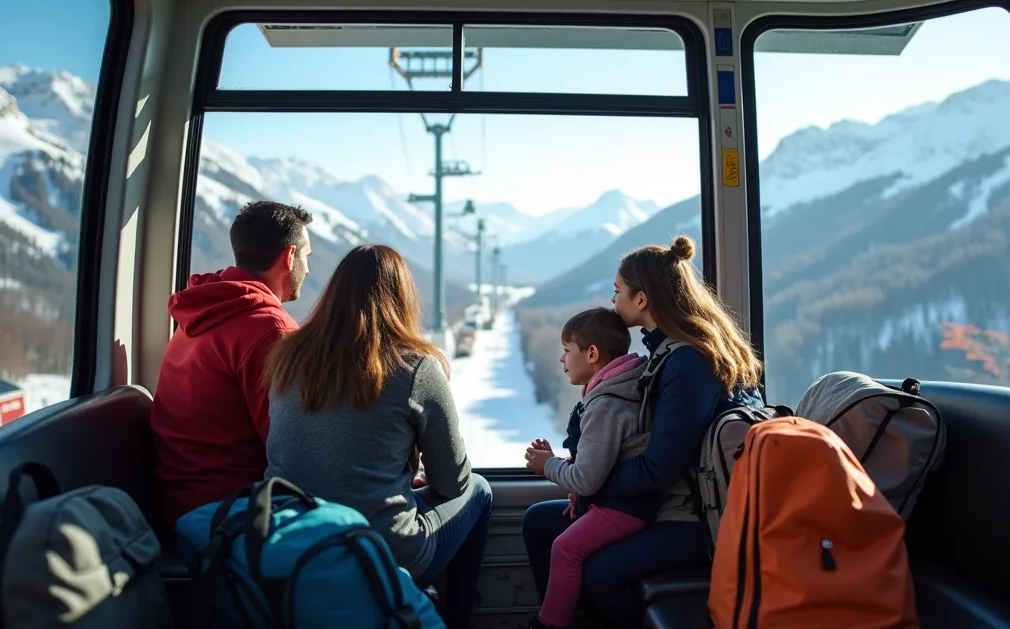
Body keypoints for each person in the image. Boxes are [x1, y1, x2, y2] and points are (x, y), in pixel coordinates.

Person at [521, 235, 765, 627]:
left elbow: (660, 468)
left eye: (618, 291)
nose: (613, 301)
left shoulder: (688, 362)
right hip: (662, 502)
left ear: (642, 299)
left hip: (691, 518)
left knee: (599, 574)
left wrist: (591, 482)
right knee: (539, 522)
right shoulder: (666, 352)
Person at [264, 245, 492, 629]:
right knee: (481, 490)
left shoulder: (287, 356)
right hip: (380, 549)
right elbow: (454, 482)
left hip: (291, 542)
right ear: (402, 298)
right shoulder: (415, 366)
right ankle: (454, 618)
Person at [150, 200, 312, 529]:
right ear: (289, 257)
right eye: (306, 257)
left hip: (179, 505)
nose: (307, 270)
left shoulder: (203, 309)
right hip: (235, 515)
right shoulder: (270, 331)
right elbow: (295, 447)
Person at [522, 308, 652, 629]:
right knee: (537, 520)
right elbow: (599, 462)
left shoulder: (606, 405)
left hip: (625, 508)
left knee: (565, 548)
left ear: (592, 354)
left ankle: (550, 624)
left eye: (567, 351)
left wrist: (547, 465)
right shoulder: (615, 392)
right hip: (617, 500)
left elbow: (586, 480)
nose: (562, 360)